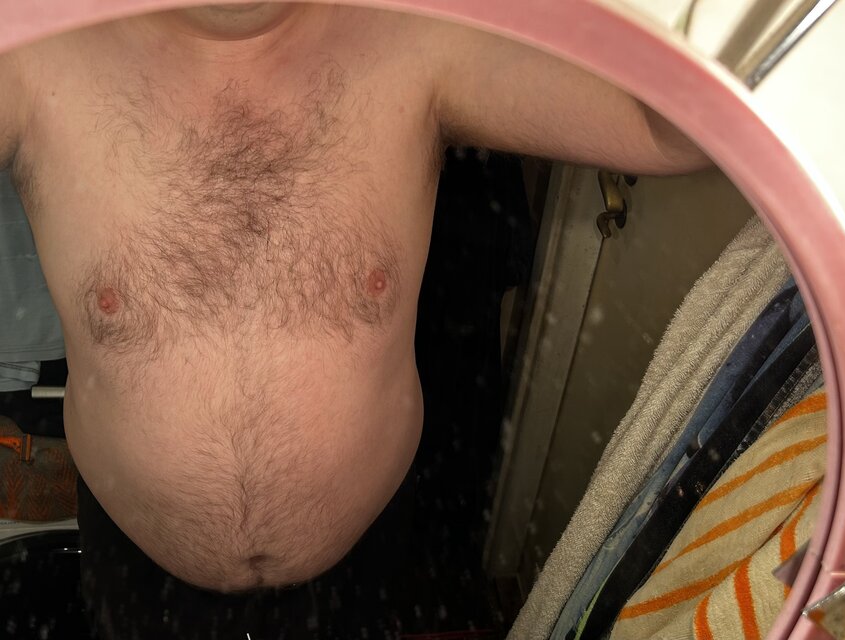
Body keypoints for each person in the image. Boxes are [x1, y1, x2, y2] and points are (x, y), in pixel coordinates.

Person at [0, 2, 708, 593]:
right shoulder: (35, 61)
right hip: (138, 562)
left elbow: (673, 130)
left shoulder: (415, 37)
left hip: (365, 558)